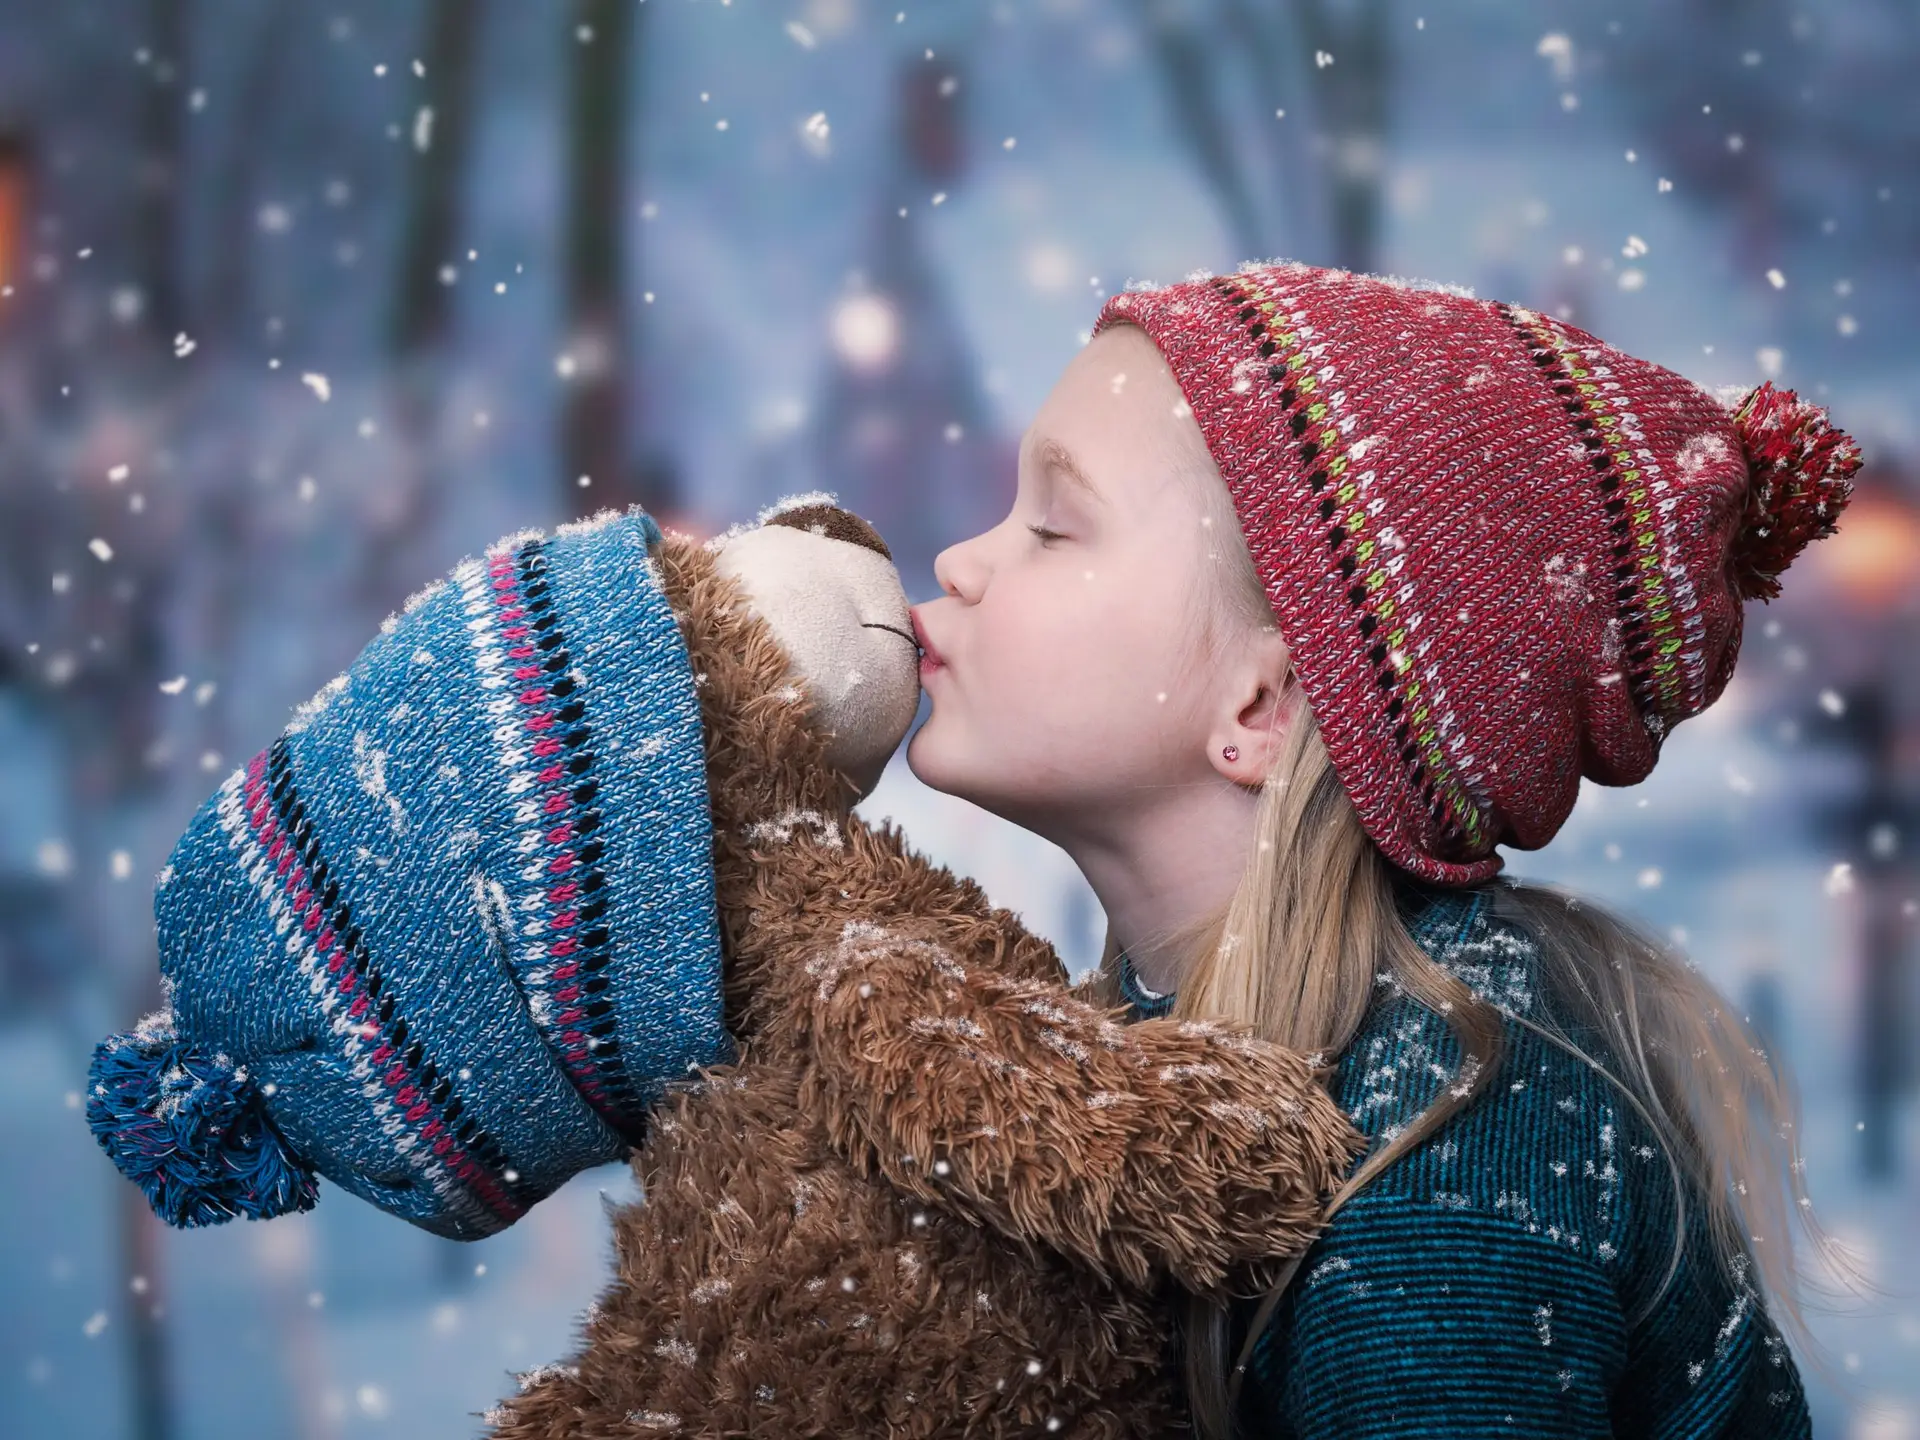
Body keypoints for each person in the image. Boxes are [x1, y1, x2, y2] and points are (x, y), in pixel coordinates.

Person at [905, 259, 1865, 1438]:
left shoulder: (1433, 1186)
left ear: (1262, 709)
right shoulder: (1158, 1053)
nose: (961, 561)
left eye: (1053, 527)